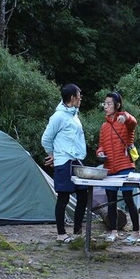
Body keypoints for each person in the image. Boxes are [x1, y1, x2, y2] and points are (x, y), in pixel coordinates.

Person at [41, 84, 89, 243]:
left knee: (83, 194)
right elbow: (46, 139)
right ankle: (61, 234)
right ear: (72, 98)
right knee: (63, 197)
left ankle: (77, 232)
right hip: (64, 161)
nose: (81, 97)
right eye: (79, 95)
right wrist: (53, 155)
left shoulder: (74, 115)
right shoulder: (58, 116)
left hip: (76, 160)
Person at [95, 92, 140, 243]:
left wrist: (125, 117)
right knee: (111, 201)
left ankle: (136, 232)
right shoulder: (104, 126)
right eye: (104, 103)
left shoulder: (125, 121)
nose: (105, 106)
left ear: (117, 105)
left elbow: (133, 122)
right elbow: (101, 144)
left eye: (108, 103)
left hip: (125, 165)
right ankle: (113, 231)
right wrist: (100, 151)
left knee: (129, 199)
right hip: (110, 168)